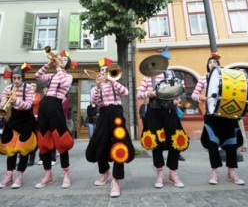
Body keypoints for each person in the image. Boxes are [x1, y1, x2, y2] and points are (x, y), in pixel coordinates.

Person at [192, 55, 245, 185]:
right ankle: (214, 172)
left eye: (215, 61)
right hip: (212, 115)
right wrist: (201, 97)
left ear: (219, 64)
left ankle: (231, 172)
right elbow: (194, 94)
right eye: (210, 62)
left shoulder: (226, 77)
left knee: (231, 144)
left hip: (227, 114)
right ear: (207, 65)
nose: (213, 63)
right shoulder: (203, 78)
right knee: (212, 145)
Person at [86, 58, 135, 198]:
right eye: (102, 71)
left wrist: (112, 80)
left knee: (119, 145)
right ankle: (104, 172)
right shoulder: (95, 88)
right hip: (103, 114)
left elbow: (126, 92)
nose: (104, 73)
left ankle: (116, 180)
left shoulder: (115, 84)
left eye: (106, 71)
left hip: (117, 114)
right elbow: (94, 101)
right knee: (99, 144)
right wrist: (97, 86)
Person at [137, 59, 189, 189]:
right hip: (154, 112)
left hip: (169, 111)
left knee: (175, 141)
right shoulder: (148, 76)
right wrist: (148, 93)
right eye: (155, 63)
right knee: (156, 143)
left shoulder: (170, 74)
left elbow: (179, 90)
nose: (158, 65)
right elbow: (139, 94)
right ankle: (160, 174)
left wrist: (178, 100)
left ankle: (173, 173)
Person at [34, 52, 74, 189]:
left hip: (56, 106)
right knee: (44, 141)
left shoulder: (68, 76)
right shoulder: (52, 76)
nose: (60, 59)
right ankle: (48, 174)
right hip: (45, 106)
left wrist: (58, 67)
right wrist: (48, 64)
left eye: (64, 59)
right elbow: (37, 76)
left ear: (66, 64)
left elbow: (63, 82)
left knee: (61, 141)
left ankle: (66, 173)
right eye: (60, 58)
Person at [0, 64, 37, 189]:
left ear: (23, 78)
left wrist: (16, 100)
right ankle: (9, 174)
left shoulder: (29, 88)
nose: (16, 81)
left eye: (18, 78)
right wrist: (4, 104)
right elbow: (2, 104)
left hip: (26, 119)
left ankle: (19, 175)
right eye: (14, 78)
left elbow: (28, 105)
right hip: (14, 119)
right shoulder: (7, 89)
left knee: (23, 148)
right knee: (10, 147)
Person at [36, 85, 57, 166]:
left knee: (52, 141)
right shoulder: (41, 101)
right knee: (42, 140)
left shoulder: (53, 100)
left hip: (51, 122)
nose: (45, 90)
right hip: (42, 123)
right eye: (44, 89)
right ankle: (42, 158)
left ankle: (53, 158)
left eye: (46, 89)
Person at [27, 82, 42, 166]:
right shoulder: (26, 94)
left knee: (34, 138)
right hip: (27, 118)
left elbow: (36, 102)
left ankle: (32, 159)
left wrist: (28, 102)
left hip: (35, 119)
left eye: (35, 86)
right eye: (32, 85)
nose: (33, 87)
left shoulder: (38, 95)